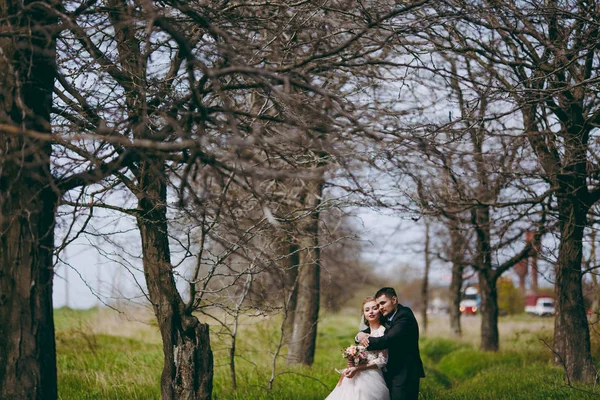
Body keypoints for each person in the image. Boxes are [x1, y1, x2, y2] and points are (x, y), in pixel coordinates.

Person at [357, 287, 425, 400]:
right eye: (378, 305)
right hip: (389, 372)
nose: (381, 308)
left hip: (405, 373)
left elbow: (388, 339)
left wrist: (365, 342)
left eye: (383, 303)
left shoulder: (404, 315)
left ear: (394, 300)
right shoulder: (387, 316)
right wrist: (359, 335)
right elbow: (372, 329)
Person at [325, 297, 390, 400]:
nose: (371, 312)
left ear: (379, 310)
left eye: (374, 308)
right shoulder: (363, 334)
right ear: (363, 313)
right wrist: (352, 361)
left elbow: (382, 360)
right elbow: (363, 355)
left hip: (372, 377)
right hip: (355, 376)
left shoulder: (383, 332)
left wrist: (357, 368)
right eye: (367, 310)